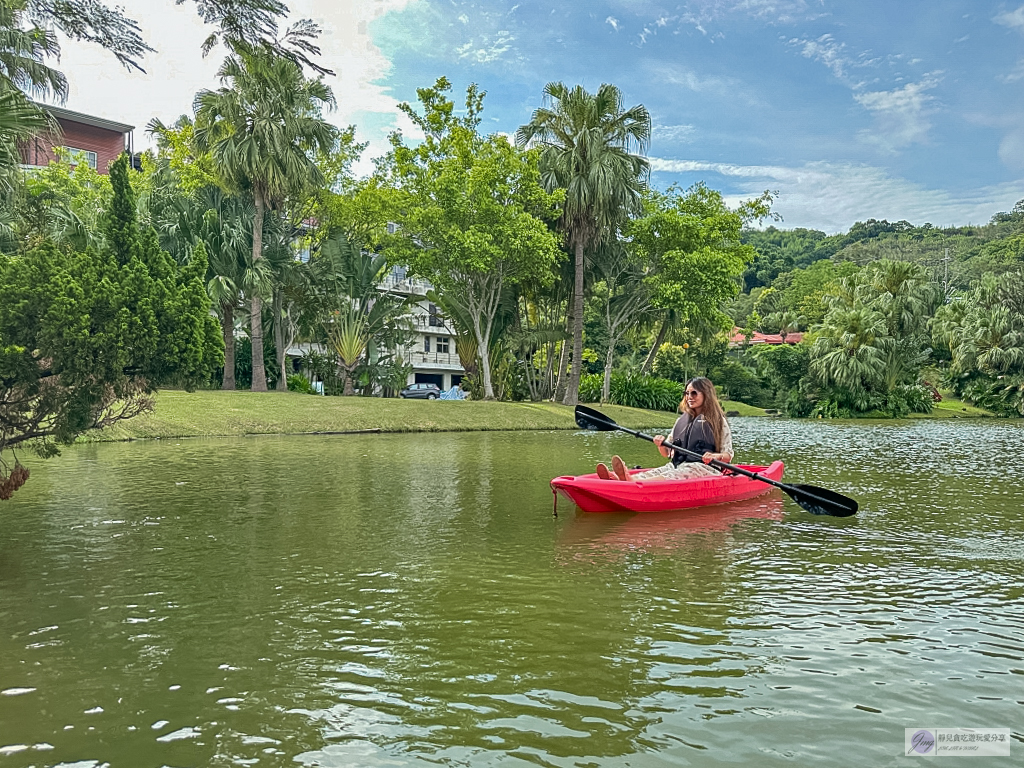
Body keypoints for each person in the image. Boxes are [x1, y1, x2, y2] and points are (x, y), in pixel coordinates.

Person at [595, 377, 734, 481]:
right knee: (659, 471)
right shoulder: (682, 420)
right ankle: (622, 480)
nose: (689, 397)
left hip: (704, 469)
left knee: (673, 475)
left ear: (706, 394)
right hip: (678, 465)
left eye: (694, 393)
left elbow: (728, 456)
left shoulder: (718, 421)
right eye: (687, 393)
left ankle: (629, 481)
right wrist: (660, 444)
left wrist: (714, 456)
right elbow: (666, 452)